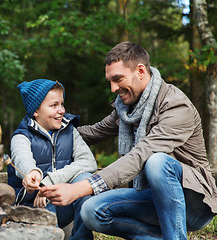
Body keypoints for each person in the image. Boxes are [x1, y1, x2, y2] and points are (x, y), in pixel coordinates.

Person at [39, 42, 217, 240]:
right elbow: (93, 132)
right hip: (151, 198)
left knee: (157, 162)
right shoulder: (126, 109)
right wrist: (44, 131)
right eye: (110, 81)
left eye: (118, 79)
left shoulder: (176, 106)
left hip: (193, 205)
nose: (114, 88)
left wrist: (80, 188)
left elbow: (141, 155)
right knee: (91, 210)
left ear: (140, 71)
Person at [8, 79, 97, 240]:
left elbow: (88, 162)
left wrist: (49, 182)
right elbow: (22, 158)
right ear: (36, 111)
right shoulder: (22, 136)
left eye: (62, 104)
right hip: (33, 208)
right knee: (45, 200)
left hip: (63, 202)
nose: (61, 110)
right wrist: (32, 173)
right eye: (53, 105)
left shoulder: (69, 131)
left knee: (85, 180)